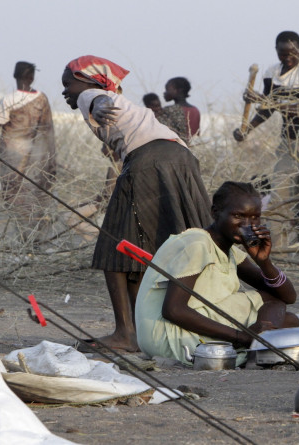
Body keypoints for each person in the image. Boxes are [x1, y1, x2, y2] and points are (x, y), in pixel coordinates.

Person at [62, 55, 212, 352]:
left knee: (114, 245)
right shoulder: (123, 104)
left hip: (150, 162)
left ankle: (126, 333)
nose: (65, 91)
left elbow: (95, 98)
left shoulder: (93, 95)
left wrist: (99, 103)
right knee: (155, 247)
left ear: (87, 81)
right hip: (179, 161)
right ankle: (148, 330)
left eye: (67, 84)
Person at [135, 181, 299, 366]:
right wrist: (242, 337)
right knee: (274, 308)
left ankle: (258, 347)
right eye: (238, 216)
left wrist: (264, 262)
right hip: (168, 336)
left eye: (255, 217)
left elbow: (288, 296)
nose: (247, 225)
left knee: (290, 321)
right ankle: (256, 352)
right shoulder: (197, 243)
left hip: (182, 327)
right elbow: (173, 310)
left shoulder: (228, 249)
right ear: (215, 213)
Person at [233, 31, 299, 247]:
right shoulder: (272, 72)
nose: (288, 58)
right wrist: (247, 129)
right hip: (289, 140)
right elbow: (266, 109)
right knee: (281, 194)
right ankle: (275, 248)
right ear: (277, 52)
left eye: (292, 53)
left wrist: (262, 99)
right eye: (283, 54)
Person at [0, 61, 57, 244]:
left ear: (15, 76)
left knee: (13, 192)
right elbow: (46, 129)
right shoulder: (42, 98)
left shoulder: (8, 99)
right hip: (38, 153)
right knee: (35, 192)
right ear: (32, 77)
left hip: (13, 152)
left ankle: (23, 236)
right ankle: (37, 236)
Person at [163, 77, 200, 142]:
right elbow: (197, 133)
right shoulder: (195, 110)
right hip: (194, 146)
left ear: (178, 90)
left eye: (167, 90)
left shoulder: (169, 110)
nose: (165, 93)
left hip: (177, 146)